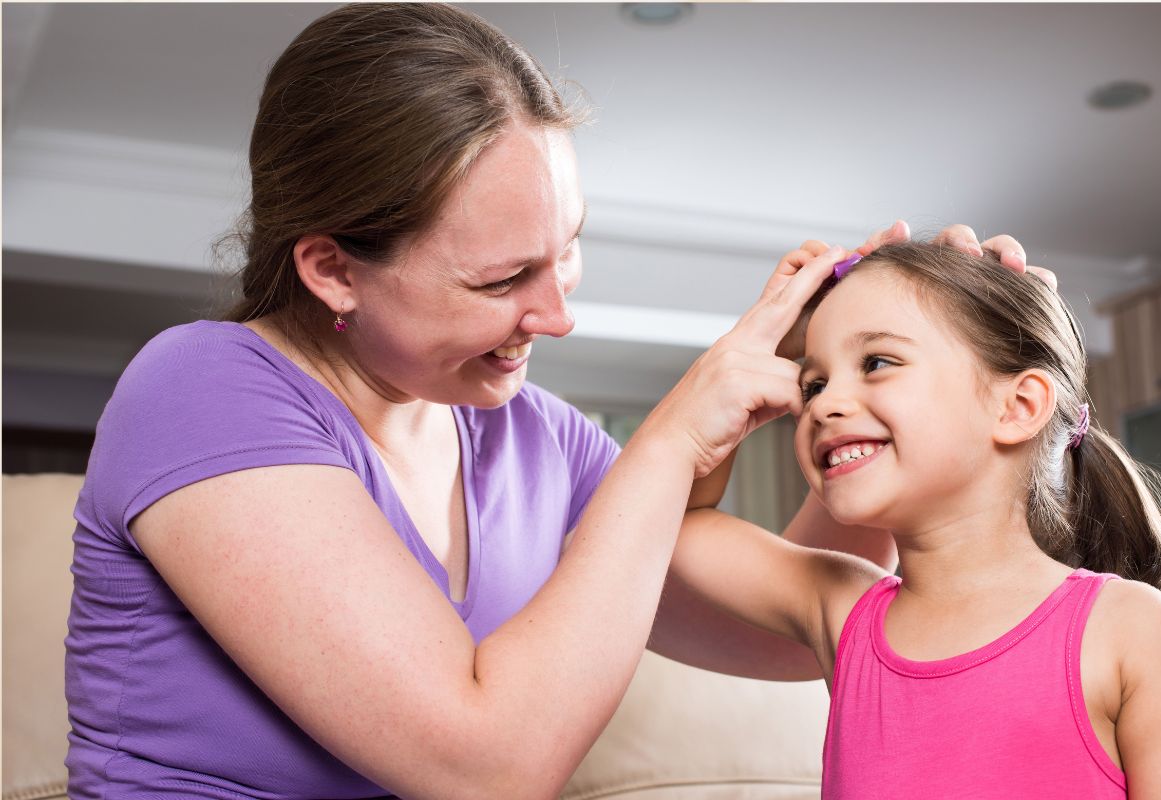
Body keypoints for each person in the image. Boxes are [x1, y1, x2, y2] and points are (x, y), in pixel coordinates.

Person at [65, 4, 1043, 798]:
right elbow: (484, 764)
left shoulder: (542, 443)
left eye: (567, 249)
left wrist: (867, 395)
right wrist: (672, 437)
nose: (557, 313)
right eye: (503, 278)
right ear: (331, 269)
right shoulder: (199, 388)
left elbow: (791, 630)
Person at [670, 241, 1161, 798]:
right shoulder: (841, 611)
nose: (823, 406)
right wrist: (763, 343)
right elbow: (677, 519)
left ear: (1017, 407)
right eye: (814, 383)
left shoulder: (1130, 627)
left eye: (876, 363)